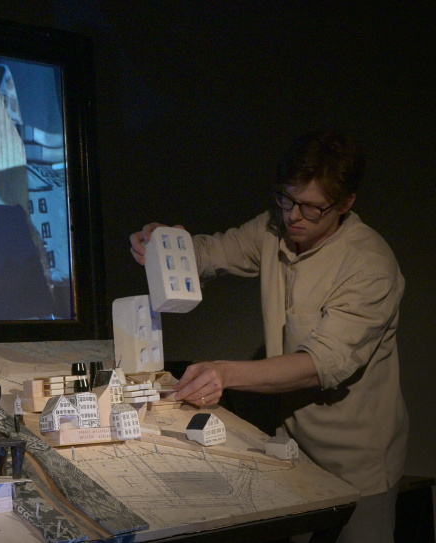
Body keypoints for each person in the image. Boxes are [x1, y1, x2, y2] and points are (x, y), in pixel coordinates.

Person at [129, 131, 408, 543]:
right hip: (292, 448)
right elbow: (214, 252)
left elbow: (317, 365)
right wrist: (166, 246)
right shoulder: (274, 227)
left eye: (311, 208)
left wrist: (224, 373)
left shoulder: (369, 266)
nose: (294, 216)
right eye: (286, 199)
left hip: (357, 461)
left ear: (345, 204)